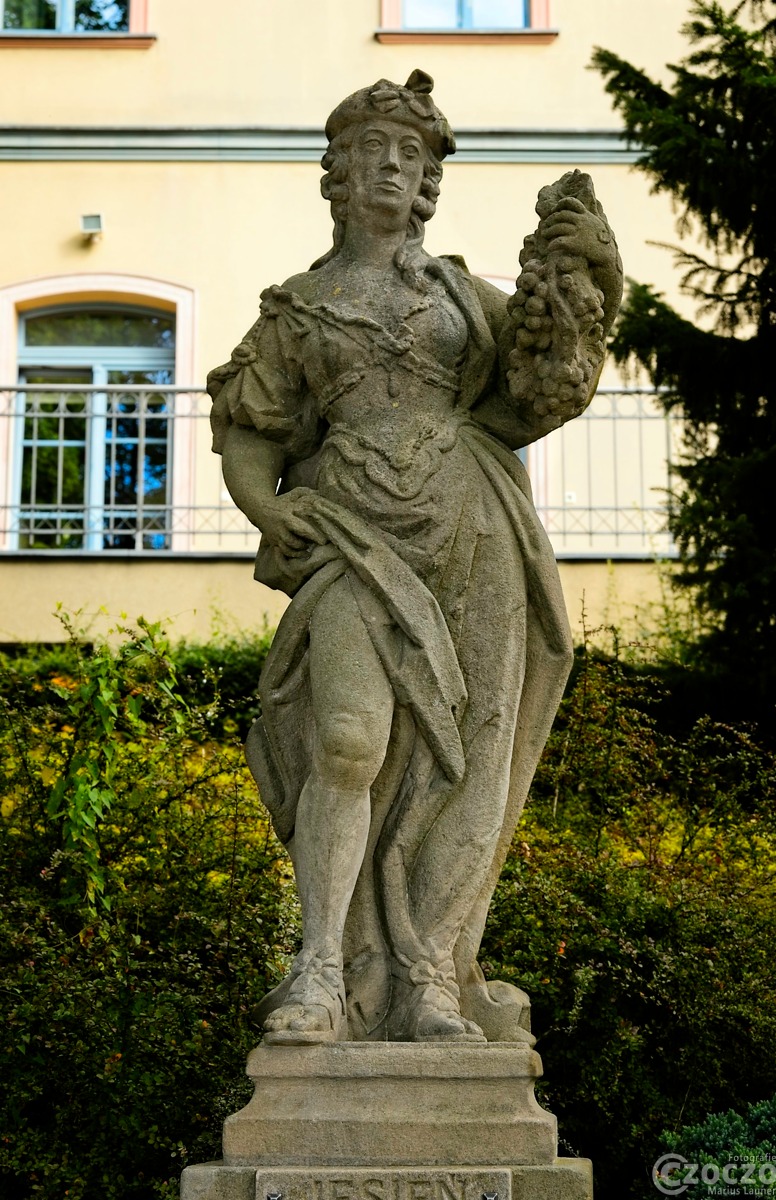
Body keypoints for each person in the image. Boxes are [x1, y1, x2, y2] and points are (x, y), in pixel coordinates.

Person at [207, 70, 622, 1046]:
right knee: (348, 740)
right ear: (338, 173)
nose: (392, 167)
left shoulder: (464, 298)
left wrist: (584, 286)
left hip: (472, 534)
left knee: (470, 753)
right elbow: (250, 433)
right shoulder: (299, 309)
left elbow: (540, 392)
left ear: (429, 180)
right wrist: (266, 508)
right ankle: (322, 970)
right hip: (351, 537)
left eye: (411, 154)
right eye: (372, 151)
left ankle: (430, 972)